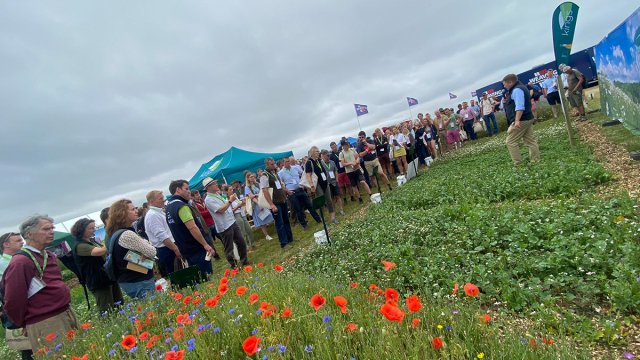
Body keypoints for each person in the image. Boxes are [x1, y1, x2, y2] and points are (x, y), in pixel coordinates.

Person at [2, 215, 78, 352]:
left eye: (52, 228)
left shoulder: (48, 255)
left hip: (65, 313)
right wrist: (24, 323)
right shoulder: (20, 262)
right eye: (46, 229)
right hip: (46, 322)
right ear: (30, 234)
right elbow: (13, 300)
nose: (52, 231)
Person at [105, 199, 157, 299]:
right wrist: (147, 243)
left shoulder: (116, 232)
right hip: (139, 280)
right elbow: (152, 251)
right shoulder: (127, 234)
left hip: (130, 279)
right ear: (122, 213)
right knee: (153, 311)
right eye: (132, 209)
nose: (136, 211)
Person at [70, 218, 123, 313]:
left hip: (106, 277)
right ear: (81, 230)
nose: (93, 230)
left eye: (94, 227)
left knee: (119, 303)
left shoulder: (91, 241)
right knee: (107, 309)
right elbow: (100, 252)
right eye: (90, 228)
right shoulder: (80, 246)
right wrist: (112, 240)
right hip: (98, 281)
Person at [166, 180, 214, 275]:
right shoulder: (181, 206)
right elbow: (192, 228)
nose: (189, 191)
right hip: (195, 247)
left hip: (185, 249)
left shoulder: (169, 206)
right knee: (206, 276)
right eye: (186, 189)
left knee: (198, 278)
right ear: (178, 190)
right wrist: (205, 244)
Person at [203, 178, 249, 269]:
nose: (217, 184)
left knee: (241, 242)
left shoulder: (217, 194)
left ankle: (244, 260)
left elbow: (225, 207)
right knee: (229, 248)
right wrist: (230, 201)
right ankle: (234, 265)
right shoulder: (208, 199)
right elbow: (221, 210)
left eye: (216, 183)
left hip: (231, 221)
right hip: (224, 226)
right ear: (208, 187)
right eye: (214, 183)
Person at [0, 232, 32, 360]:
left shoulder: (20, 259)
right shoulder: (2, 265)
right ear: (6, 245)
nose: (22, 242)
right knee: (27, 347)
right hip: (15, 312)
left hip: (29, 307)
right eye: (18, 240)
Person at [502, 73, 540, 165]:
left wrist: (517, 120)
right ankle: (535, 160)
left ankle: (518, 164)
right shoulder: (521, 87)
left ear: (510, 82)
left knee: (510, 141)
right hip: (528, 118)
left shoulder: (517, 90)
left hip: (522, 119)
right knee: (530, 141)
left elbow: (520, 107)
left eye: (505, 84)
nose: (504, 86)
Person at [145, 190, 184, 277]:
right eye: (160, 198)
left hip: (168, 247)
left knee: (179, 273)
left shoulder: (157, 212)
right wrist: (175, 249)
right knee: (175, 275)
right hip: (166, 249)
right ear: (152, 202)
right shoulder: (153, 215)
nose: (164, 200)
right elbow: (162, 236)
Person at [278, 157, 321, 229]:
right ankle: (304, 225)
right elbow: (280, 184)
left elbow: (304, 175)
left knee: (309, 205)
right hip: (292, 193)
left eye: (289, 161)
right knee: (298, 209)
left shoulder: (296, 167)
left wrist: (305, 185)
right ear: (283, 163)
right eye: (286, 162)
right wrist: (287, 191)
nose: (288, 163)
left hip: (300, 189)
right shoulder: (280, 173)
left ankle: (318, 219)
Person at [261, 158, 294, 248]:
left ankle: (290, 239)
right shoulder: (264, 175)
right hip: (275, 203)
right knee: (280, 223)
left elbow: (280, 185)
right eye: (271, 164)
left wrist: (287, 191)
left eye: (274, 163)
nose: (274, 165)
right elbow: (265, 190)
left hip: (282, 200)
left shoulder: (274, 173)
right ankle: (284, 243)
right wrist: (271, 204)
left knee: (286, 220)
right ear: (267, 165)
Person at [305, 146, 338, 225]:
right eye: (317, 151)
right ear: (312, 152)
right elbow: (308, 175)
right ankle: (323, 221)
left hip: (325, 183)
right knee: (321, 203)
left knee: (329, 200)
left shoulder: (319, 160)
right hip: (318, 184)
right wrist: (311, 185)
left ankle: (333, 218)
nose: (318, 153)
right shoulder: (309, 162)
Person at [244, 171, 274, 241]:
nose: (253, 178)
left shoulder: (257, 184)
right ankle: (266, 235)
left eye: (253, 176)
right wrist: (259, 203)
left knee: (269, 215)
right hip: (256, 204)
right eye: (251, 177)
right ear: (248, 178)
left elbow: (262, 192)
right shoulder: (247, 187)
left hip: (263, 201)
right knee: (261, 220)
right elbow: (252, 197)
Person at [320, 149, 345, 215]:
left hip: (334, 182)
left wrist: (337, 179)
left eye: (329, 155)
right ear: (323, 156)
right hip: (327, 184)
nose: (328, 157)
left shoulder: (332, 162)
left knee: (338, 196)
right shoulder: (321, 164)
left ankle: (341, 210)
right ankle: (333, 211)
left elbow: (336, 170)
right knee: (331, 198)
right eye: (327, 155)